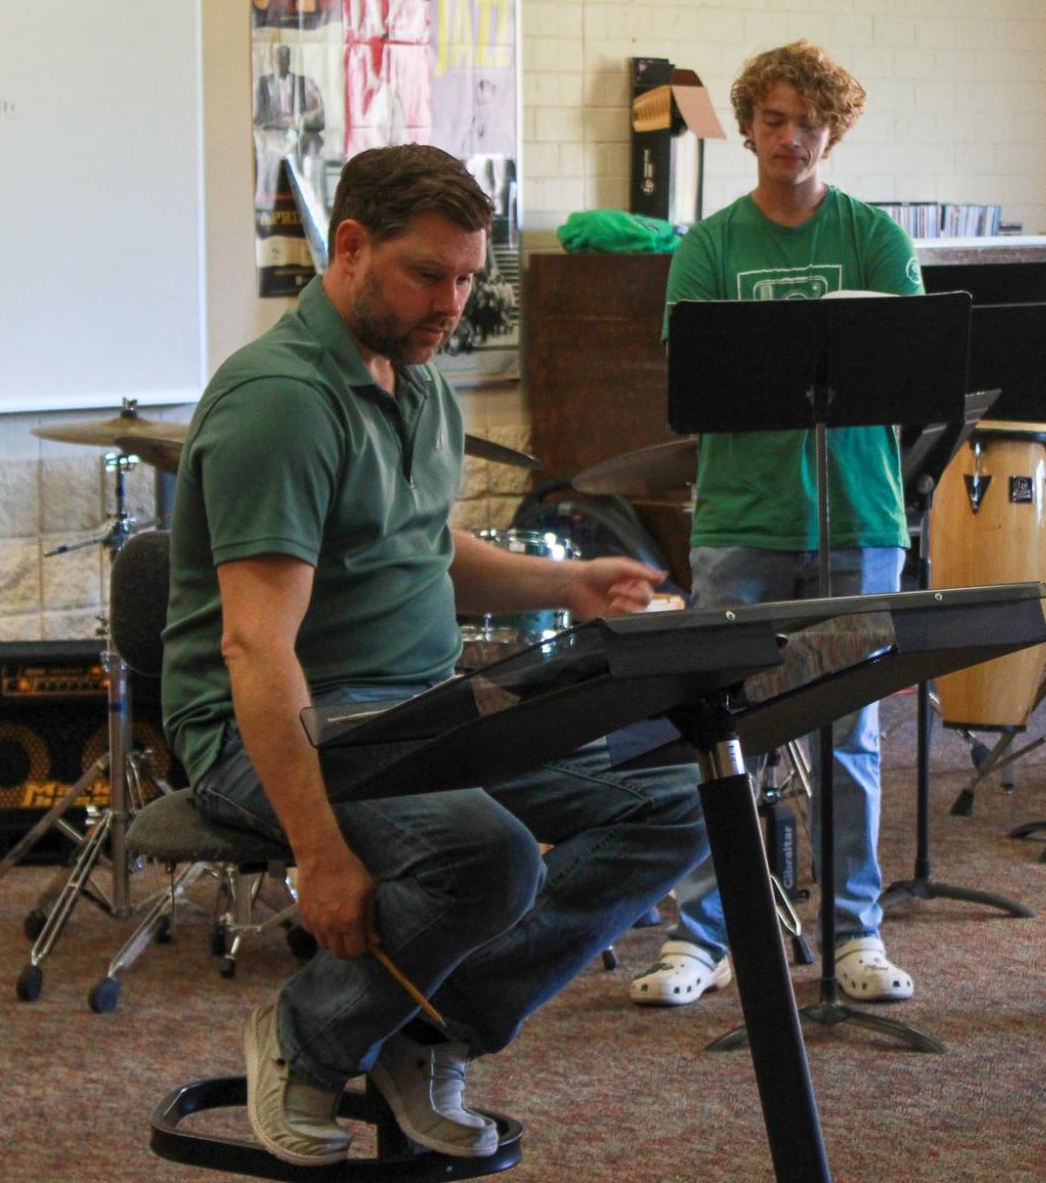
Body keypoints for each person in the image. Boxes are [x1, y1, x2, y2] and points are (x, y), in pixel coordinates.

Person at [161, 144, 709, 1164]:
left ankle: (423, 1029)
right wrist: (320, 854)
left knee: (676, 790)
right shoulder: (281, 401)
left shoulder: (417, 384)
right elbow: (253, 645)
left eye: (468, 277)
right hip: (280, 720)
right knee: (486, 856)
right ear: (352, 247)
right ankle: (308, 1033)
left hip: (413, 707)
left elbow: (417, 550)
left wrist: (566, 582)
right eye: (429, 274)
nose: (453, 302)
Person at [634, 40, 925, 1009]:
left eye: (809, 121)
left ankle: (855, 934)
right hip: (741, 522)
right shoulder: (711, 246)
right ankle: (704, 936)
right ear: (751, 126)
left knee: (849, 737)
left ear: (833, 131)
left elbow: (905, 373)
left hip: (858, 517)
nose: (789, 137)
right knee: (724, 737)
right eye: (772, 120)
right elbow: (698, 383)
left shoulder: (875, 239)